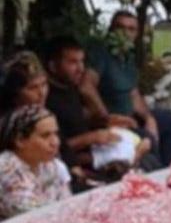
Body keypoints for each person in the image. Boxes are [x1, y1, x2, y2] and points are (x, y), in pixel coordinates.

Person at [45, 36, 159, 188]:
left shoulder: (70, 87)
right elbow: (57, 147)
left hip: (96, 149)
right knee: (147, 162)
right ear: (53, 66)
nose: (80, 68)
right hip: (79, 162)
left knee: (147, 140)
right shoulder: (48, 100)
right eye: (72, 62)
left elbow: (79, 121)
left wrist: (108, 121)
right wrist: (91, 138)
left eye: (82, 61)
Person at [81, 10, 171, 166]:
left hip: (131, 118)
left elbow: (134, 94)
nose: (125, 33)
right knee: (147, 140)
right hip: (112, 123)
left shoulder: (127, 57)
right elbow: (86, 86)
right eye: (120, 27)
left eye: (131, 29)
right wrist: (106, 117)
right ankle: (157, 176)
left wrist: (149, 118)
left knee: (170, 119)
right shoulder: (101, 53)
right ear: (111, 30)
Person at [0, 105, 71, 219]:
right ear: (20, 141)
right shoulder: (6, 170)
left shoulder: (51, 166)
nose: (55, 142)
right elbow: (32, 217)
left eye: (56, 134)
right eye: (45, 136)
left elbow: (67, 206)